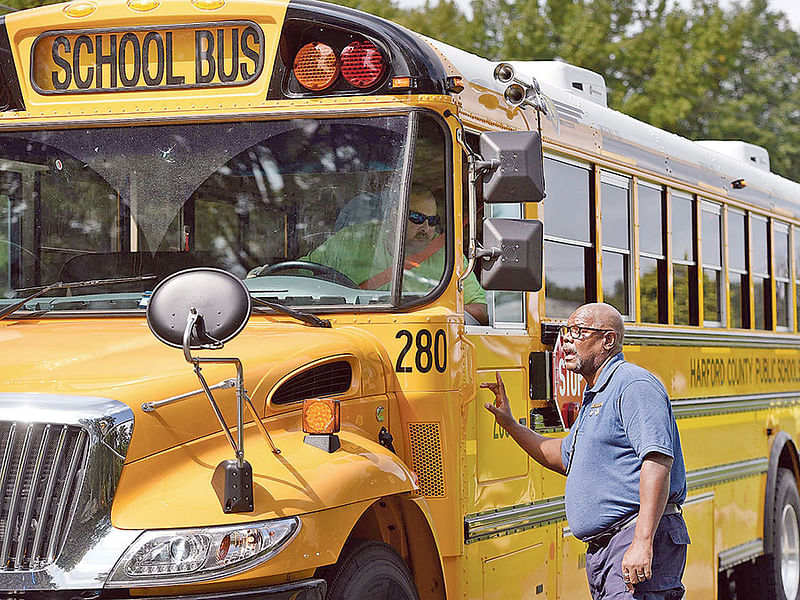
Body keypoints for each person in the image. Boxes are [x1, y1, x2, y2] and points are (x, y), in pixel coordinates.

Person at [481, 303, 688, 599]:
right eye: (567, 331)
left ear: (608, 341)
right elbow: (564, 457)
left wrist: (642, 542)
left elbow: (657, 460)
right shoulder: (596, 394)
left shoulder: (633, 385)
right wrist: (511, 424)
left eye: (578, 331)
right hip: (605, 550)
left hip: (632, 536)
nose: (567, 339)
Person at [303, 186, 488, 325]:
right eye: (416, 218)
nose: (425, 228)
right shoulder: (353, 239)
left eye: (432, 221)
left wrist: (424, 316)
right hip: (344, 330)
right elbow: (299, 275)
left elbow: (480, 309)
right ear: (395, 215)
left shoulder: (448, 255)